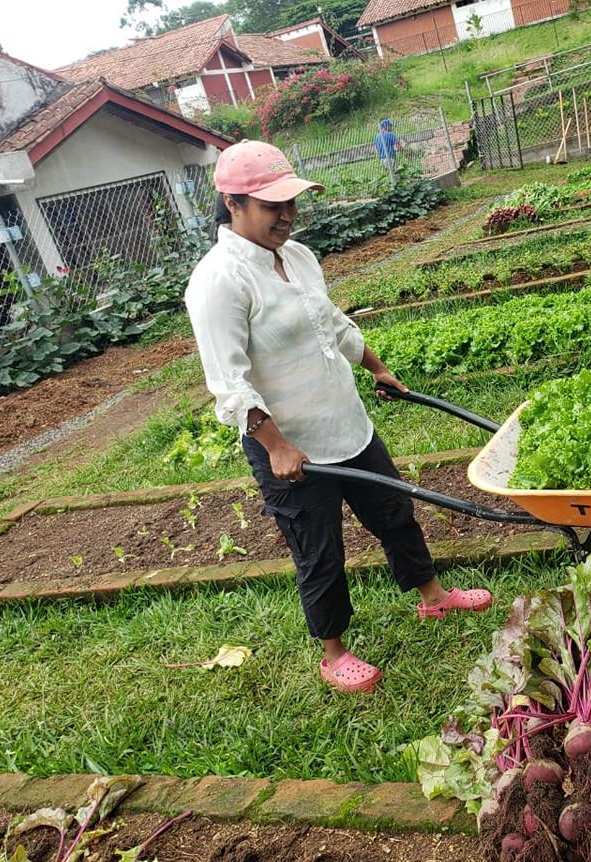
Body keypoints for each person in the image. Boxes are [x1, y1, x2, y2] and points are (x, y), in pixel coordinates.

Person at [185, 140, 492, 695]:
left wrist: (376, 368)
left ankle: (432, 597)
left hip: (345, 421)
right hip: (290, 447)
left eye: (291, 203)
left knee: (394, 512)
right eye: (271, 205)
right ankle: (333, 652)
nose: (287, 215)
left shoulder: (298, 257)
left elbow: (332, 324)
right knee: (319, 549)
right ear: (232, 204)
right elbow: (229, 382)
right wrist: (276, 444)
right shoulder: (219, 280)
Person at [375, 118, 405, 186]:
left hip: (382, 160)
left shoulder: (377, 136)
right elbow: (398, 146)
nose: (391, 127)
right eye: (390, 126)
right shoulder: (390, 134)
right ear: (386, 126)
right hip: (390, 158)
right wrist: (404, 153)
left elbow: (376, 149)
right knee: (396, 177)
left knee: (388, 177)